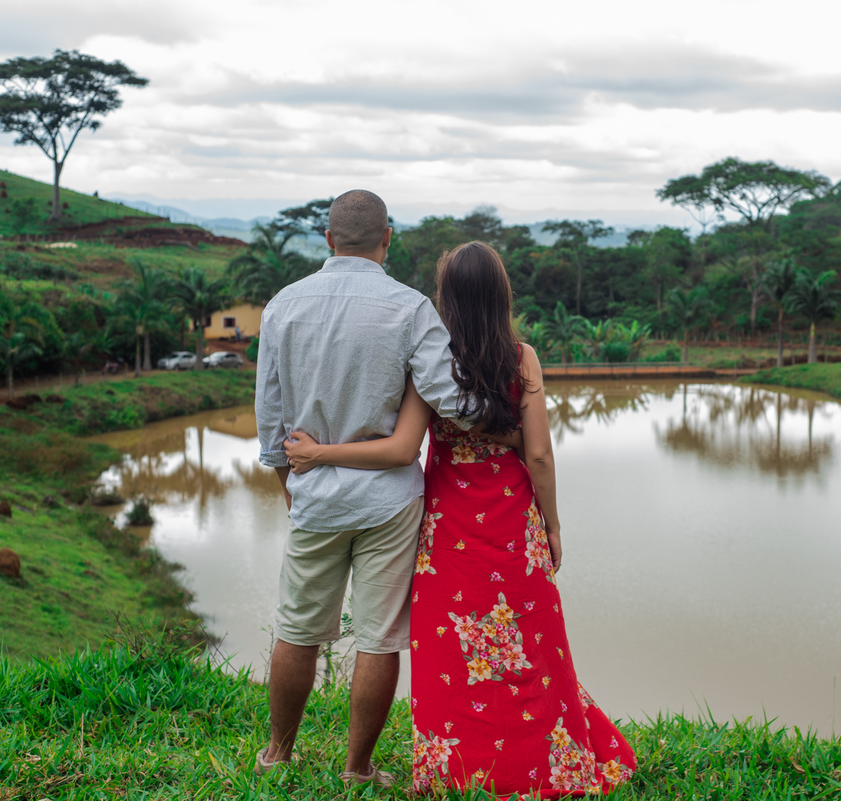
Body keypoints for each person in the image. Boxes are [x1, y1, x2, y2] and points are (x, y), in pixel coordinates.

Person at [284, 241, 636, 796]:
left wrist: (320, 453)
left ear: (445, 297)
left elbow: (401, 447)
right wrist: (552, 525)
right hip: (514, 526)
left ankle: (453, 771)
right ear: (501, 294)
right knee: (531, 650)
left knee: (451, 653)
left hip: (448, 531)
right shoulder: (522, 358)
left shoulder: (432, 362)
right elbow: (540, 455)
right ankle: (544, 766)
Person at [254, 190, 492, 786]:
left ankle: (278, 755)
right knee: (379, 638)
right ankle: (357, 769)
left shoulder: (282, 306)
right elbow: (450, 400)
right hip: (389, 500)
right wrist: (507, 410)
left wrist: (292, 487)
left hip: (315, 496)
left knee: (296, 630)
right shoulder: (410, 308)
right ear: (387, 239)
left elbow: (270, 417)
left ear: (328, 239)